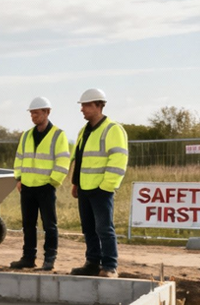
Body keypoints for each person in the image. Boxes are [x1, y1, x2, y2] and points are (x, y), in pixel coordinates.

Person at [69, 88, 128, 278]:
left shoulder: (113, 129)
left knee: (104, 228)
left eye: (86, 105)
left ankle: (110, 266)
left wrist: (107, 186)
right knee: (88, 228)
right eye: (82, 105)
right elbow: (78, 158)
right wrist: (75, 183)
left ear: (98, 106)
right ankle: (92, 263)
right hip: (85, 187)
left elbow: (118, 160)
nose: (82, 109)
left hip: (101, 189)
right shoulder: (83, 131)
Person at [9, 97, 70, 271]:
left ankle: (49, 258)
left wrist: (53, 182)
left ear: (47, 112)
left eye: (36, 113)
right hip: (27, 186)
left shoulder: (58, 135)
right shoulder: (27, 135)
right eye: (31, 113)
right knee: (28, 225)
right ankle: (28, 257)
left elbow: (63, 160)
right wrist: (19, 179)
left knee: (49, 225)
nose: (33, 116)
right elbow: (19, 158)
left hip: (46, 187)